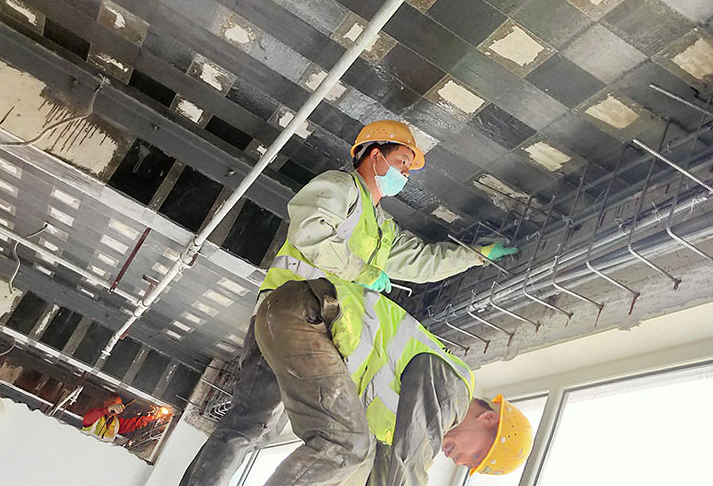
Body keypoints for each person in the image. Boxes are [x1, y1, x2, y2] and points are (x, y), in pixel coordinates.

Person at [181, 120, 533, 486]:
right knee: (337, 443)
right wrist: (362, 271)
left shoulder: (382, 229)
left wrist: (475, 256)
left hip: (308, 325)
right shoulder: (341, 187)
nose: (405, 174)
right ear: (375, 156)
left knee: (249, 425)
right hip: (306, 308)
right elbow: (310, 232)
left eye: (408, 169)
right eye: (402, 162)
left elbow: (423, 261)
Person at [81, 395, 165, 443]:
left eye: (118, 405)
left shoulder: (117, 424)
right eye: (113, 403)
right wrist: (109, 409)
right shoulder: (94, 416)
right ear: (105, 402)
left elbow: (135, 423)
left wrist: (156, 416)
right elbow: (90, 417)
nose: (116, 407)